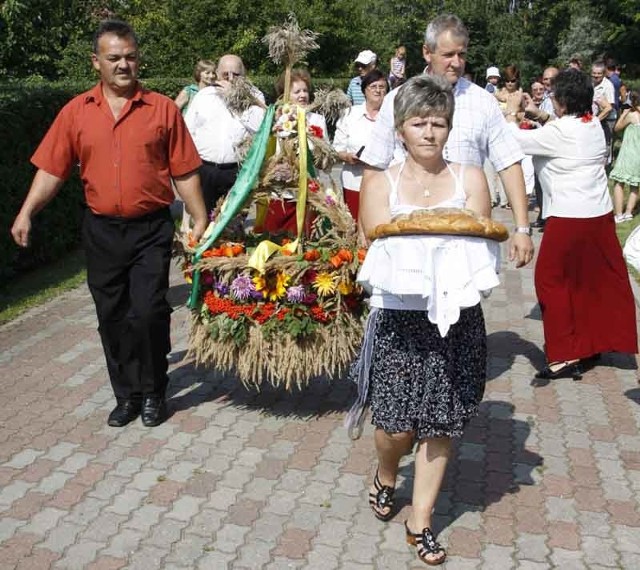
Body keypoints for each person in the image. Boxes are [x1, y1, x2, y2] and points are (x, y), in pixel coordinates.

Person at [10, 19, 208, 427]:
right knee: (112, 316)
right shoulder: (76, 112)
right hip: (101, 231)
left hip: (150, 228)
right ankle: (127, 395)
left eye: (131, 57)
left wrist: (201, 217)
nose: (123, 65)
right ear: (95, 62)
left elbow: (184, 171)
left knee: (150, 311)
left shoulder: (163, 109)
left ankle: (154, 391)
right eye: (114, 58)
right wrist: (27, 210)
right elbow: (52, 169)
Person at [353, 74, 499, 566]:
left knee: (442, 421)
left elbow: (480, 239)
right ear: (400, 129)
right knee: (395, 425)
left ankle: (421, 521)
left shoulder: (471, 179)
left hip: (457, 317)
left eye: (439, 123)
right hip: (399, 316)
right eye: (419, 123)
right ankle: (387, 472)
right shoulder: (380, 182)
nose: (430, 132)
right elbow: (376, 234)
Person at [359, 13, 534, 269]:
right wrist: (363, 228)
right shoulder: (397, 100)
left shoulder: (483, 102)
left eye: (461, 55)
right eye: (448, 54)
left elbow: (508, 163)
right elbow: (374, 166)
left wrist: (522, 228)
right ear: (427, 52)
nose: (456, 62)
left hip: (464, 241)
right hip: (404, 239)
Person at [508, 68, 637, 379]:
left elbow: (516, 140)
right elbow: (557, 128)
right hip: (599, 215)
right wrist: (539, 114)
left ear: (563, 100)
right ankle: (594, 342)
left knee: (550, 280)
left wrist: (512, 113)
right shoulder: (591, 124)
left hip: (569, 216)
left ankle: (564, 354)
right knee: (592, 281)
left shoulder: (560, 132)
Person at [184, 54, 266, 216]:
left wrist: (237, 100)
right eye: (225, 74)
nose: (230, 79)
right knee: (204, 222)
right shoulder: (204, 96)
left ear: (244, 75)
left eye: (236, 75)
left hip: (238, 170)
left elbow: (260, 126)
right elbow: (188, 131)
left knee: (233, 225)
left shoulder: (254, 96)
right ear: (217, 74)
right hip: (205, 169)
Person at [256, 68, 328, 234]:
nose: (303, 95)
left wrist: (319, 151)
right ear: (286, 95)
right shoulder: (277, 119)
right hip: (280, 193)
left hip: (308, 193)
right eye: (297, 92)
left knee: (303, 241)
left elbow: (325, 160)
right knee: (274, 239)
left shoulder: (317, 120)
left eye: (305, 90)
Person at [333, 69, 388, 220]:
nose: (378, 90)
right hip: (354, 181)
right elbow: (336, 148)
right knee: (354, 226)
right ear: (364, 90)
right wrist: (346, 156)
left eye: (382, 87)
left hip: (383, 183)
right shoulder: (349, 114)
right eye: (373, 86)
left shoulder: (393, 116)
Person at [611, 90, 640, 223]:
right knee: (635, 184)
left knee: (619, 183)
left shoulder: (632, 116)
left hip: (628, 154)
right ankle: (628, 212)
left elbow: (617, 128)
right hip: (638, 156)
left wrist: (623, 114)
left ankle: (619, 214)